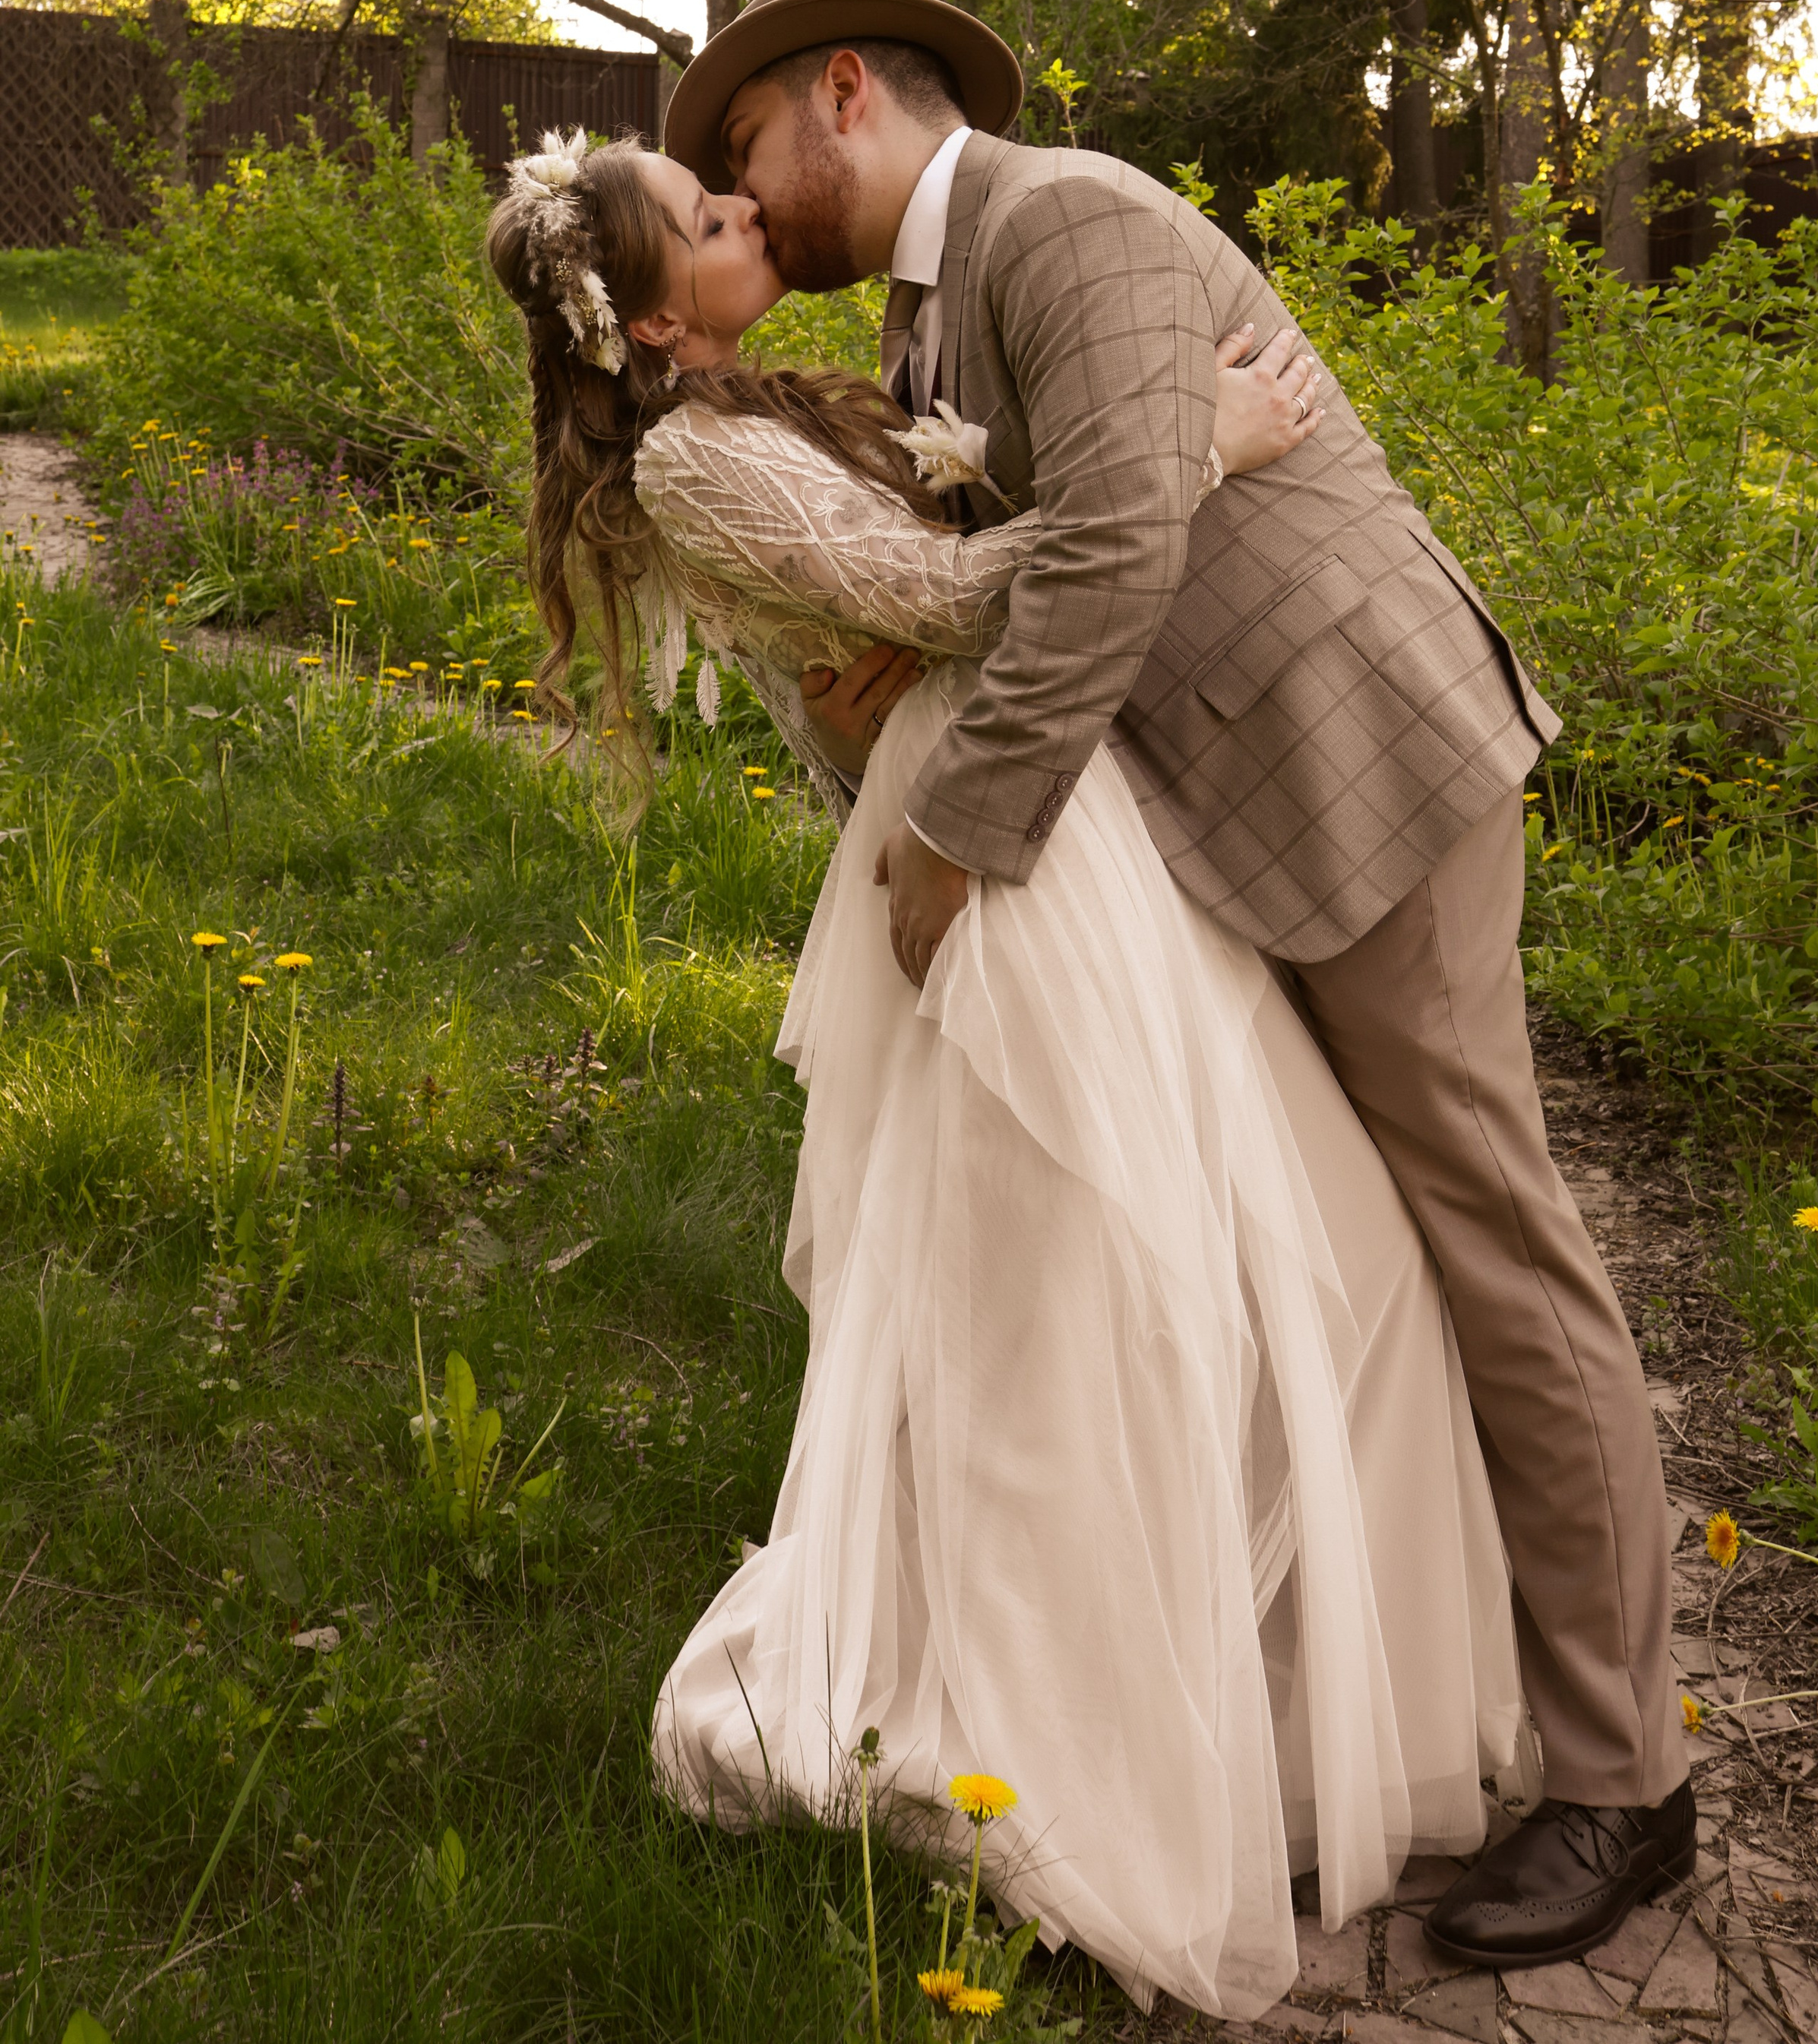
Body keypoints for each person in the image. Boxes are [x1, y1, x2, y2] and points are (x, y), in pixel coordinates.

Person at [658, 0, 1694, 1974]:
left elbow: (1128, 534)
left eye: (748, 144)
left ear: (846, 90)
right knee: (1337, 1266)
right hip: (1213, 818)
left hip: (1362, 771)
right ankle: (1333, 1719)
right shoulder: (922, 316)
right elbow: (975, 601)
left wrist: (961, 847)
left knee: (1491, 1239)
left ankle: (1624, 1782)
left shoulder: (1073, 219)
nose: (743, 187)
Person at [486, 125, 1526, 2022]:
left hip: (1063, 819)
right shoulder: (693, 459)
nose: (743, 212)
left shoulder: (782, 398)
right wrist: (1188, 454)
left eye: (731, 188)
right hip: (998, 849)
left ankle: (1252, 1705)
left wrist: (918, 590)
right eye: (705, 219)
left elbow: (926, 585)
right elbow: (962, 606)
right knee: (1079, 1281)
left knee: (1276, 1260)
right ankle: (1075, 1758)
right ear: (650, 316)